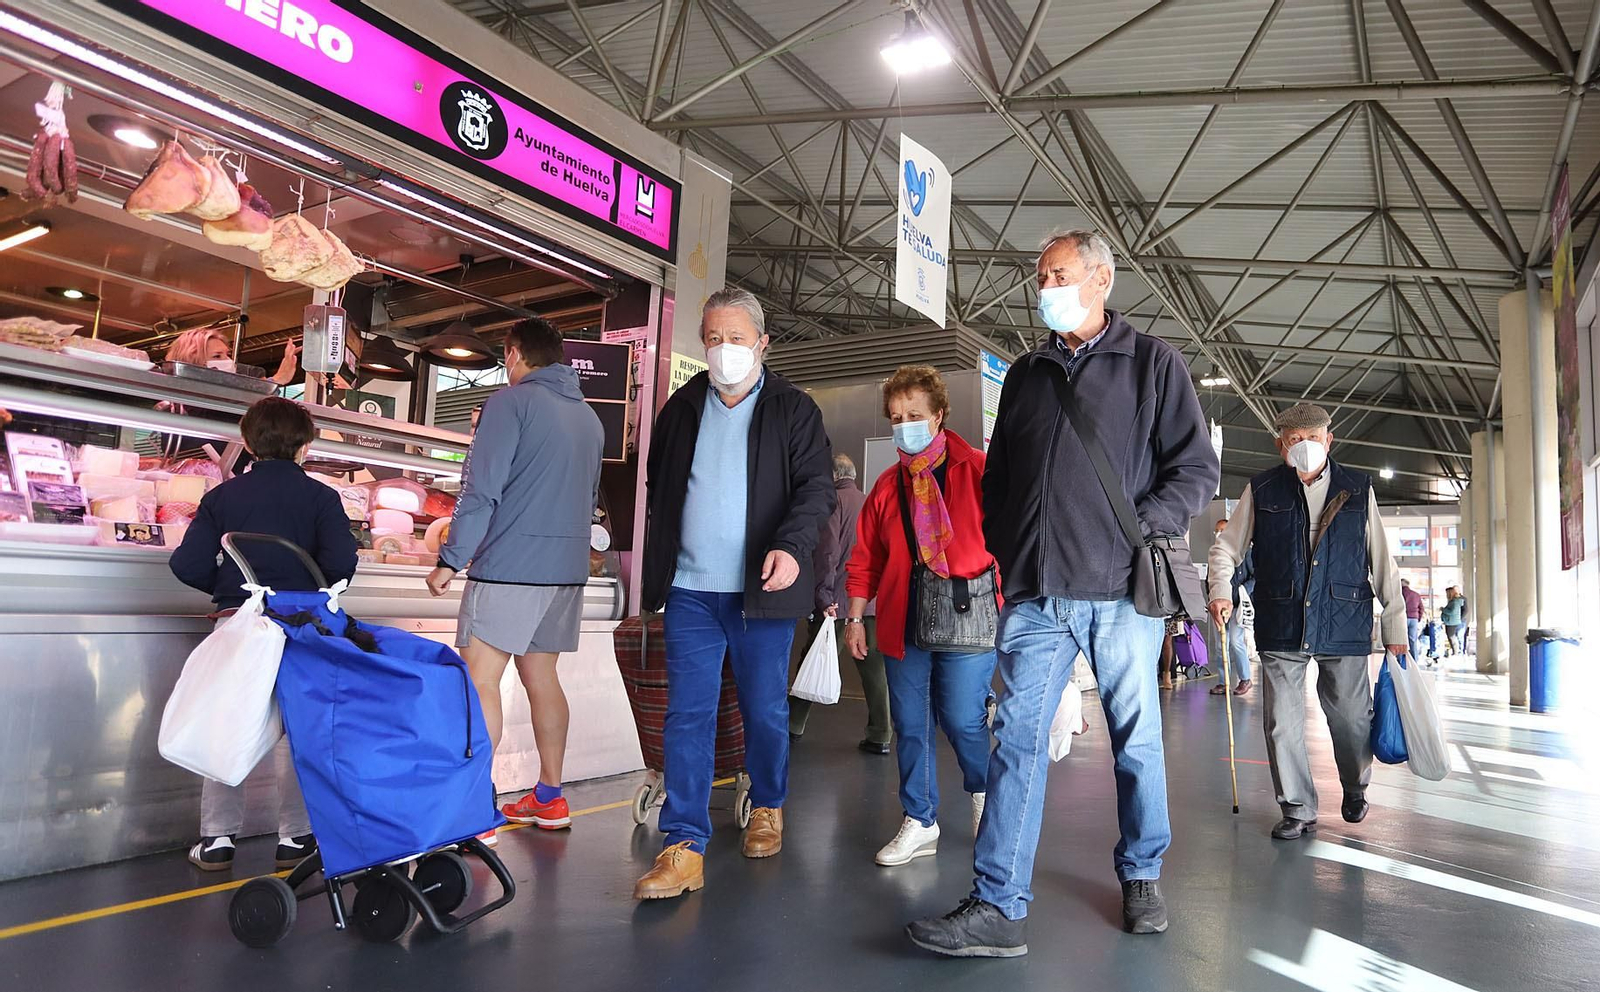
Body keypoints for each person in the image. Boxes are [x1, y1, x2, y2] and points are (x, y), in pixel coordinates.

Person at [907, 230, 1218, 957]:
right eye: (1040, 274)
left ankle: (1141, 871)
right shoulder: (1026, 374)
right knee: (1015, 740)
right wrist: (1011, 547)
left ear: (1101, 279)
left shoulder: (1153, 364)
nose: (1045, 285)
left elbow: (1195, 469)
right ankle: (997, 904)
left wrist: (1147, 525)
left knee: (1135, 743)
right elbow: (1001, 477)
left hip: (1120, 594)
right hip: (1039, 597)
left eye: (1060, 273)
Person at [633, 288, 835, 900]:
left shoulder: (794, 410)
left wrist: (793, 548)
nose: (725, 352)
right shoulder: (680, 408)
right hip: (691, 590)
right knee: (686, 714)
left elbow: (815, 490)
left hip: (762, 592)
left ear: (763, 344)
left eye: (737, 340)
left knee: (764, 710)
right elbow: (659, 489)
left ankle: (769, 803)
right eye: (714, 339)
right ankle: (684, 843)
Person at [426, 317, 604, 844]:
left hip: (509, 568)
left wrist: (450, 558)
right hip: (565, 572)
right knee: (542, 678)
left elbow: (480, 490)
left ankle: (476, 807)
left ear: (514, 354)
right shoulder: (590, 418)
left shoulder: (509, 404)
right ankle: (550, 797)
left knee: (481, 679)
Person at [169, 396, 357, 871]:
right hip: (303, 628)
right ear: (306, 446)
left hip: (239, 622)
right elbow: (341, 564)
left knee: (227, 721)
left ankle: (217, 840)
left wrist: (231, 592)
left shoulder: (222, 497)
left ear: (248, 442)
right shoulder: (322, 497)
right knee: (299, 731)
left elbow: (186, 563)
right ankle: (295, 840)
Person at [1208, 402, 1408, 842]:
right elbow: (1227, 548)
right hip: (1282, 619)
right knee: (1281, 721)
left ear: (1328, 441)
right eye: (1295, 440)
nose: (1305, 447)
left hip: (1345, 621)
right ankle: (1297, 807)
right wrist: (1220, 588)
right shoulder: (1261, 489)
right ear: (1280, 446)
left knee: (1353, 720)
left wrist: (1396, 630)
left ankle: (1355, 786)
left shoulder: (1358, 488)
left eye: (1313, 439)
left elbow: (1382, 563)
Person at [843, 366, 998, 867]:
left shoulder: (977, 470)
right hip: (900, 620)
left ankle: (983, 793)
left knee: (962, 719)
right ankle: (920, 819)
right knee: (909, 724)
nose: (904, 425)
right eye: (895, 417)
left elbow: (1010, 542)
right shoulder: (889, 486)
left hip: (968, 615)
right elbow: (866, 555)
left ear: (939, 415)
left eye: (914, 415)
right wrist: (854, 616)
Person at [788, 454, 892, 755]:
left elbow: (828, 554)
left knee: (814, 660)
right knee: (874, 671)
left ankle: (792, 725)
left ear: (831, 476)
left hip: (837, 602)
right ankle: (880, 734)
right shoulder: (871, 502)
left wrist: (822, 595)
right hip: (870, 601)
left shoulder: (833, 501)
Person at [158, 328, 299, 462]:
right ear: (194, 365)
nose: (228, 361)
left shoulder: (233, 404)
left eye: (227, 354)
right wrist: (274, 381)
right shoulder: (183, 406)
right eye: (217, 356)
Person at [1210, 516, 1255, 696]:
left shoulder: (1246, 554)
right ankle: (1224, 682)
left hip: (1237, 605)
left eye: (1223, 531)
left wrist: (1244, 590)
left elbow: (1255, 576)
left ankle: (1245, 679)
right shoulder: (1215, 553)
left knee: (1236, 642)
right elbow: (1211, 579)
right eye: (1217, 531)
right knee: (1221, 646)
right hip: (1220, 607)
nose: (1220, 534)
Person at [1441, 586, 1467, 655]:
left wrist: (1460, 618)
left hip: (1457, 621)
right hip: (1455, 620)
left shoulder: (1457, 601)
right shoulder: (1453, 600)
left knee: (1456, 637)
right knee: (1454, 637)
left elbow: (1464, 610)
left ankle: (1459, 652)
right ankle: (1458, 652)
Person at [1402, 578, 1424, 661]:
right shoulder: (1416, 594)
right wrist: (1418, 618)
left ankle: (1401, 660)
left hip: (1403, 618)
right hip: (1414, 618)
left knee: (1401, 640)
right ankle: (1414, 660)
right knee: (1413, 640)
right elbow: (1421, 608)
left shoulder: (1399, 594)